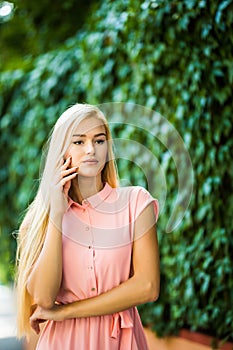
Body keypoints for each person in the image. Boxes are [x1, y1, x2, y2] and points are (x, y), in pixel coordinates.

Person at [16, 103, 160, 350]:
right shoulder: (40, 219)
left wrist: (66, 312)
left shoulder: (136, 202)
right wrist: (56, 215)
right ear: (62, 150)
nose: (91, 149)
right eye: (79, 142)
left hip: (120, 342)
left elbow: (147, 287)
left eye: (99, 140)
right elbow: (43, 298)